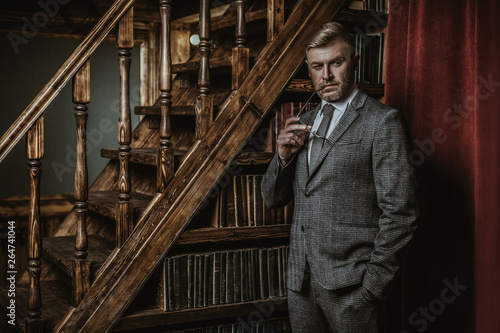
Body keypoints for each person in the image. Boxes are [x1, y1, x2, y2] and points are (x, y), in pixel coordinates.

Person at [261, 22, 419, 333]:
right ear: (309, 69)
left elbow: (402, 214)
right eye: (318, 66)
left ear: (355, 61)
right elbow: (272, 198)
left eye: (336, 62)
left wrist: (372, 289)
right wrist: (281, 158)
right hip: (300, 284)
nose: (326, 75)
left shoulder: (383, 122)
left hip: (353, 289)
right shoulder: (302, 122)